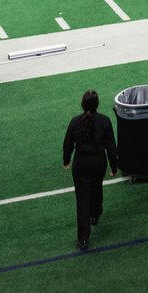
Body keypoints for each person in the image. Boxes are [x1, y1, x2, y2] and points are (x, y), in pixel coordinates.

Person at [63, 88, 119, 251]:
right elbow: (111, 146)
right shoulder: (104, 121)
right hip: (98, 162)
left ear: (82, 104)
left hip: (81, 163)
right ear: (97, 104)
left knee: (82, 199)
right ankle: (95, 213)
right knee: (96, 187)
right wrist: (114, 166)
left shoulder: (75, 122)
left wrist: (66, 160)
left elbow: (68, 144)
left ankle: (83, 239)